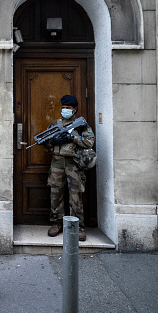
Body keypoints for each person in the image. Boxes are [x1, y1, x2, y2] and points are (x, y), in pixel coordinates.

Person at [42, 95, 95, 241]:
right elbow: (45, 145)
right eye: (63, 108)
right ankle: (56, 223)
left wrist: (73, 138)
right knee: (55, 193)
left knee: (75, 195)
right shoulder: (55, 124)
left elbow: (90, 142)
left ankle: (78, 226)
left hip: (74, 162)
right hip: (57, 162)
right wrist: (53, 141)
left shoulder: (81, 124)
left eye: (68, 108)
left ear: (74, 109)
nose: (65, 110)